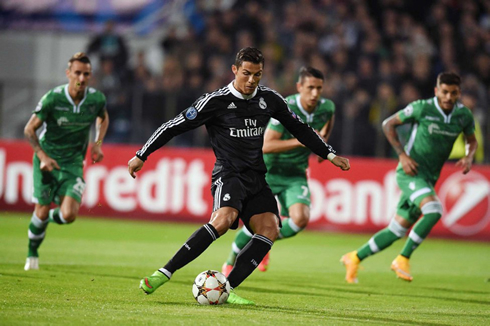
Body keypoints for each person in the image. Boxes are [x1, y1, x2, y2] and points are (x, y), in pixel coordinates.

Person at [128, 47, 350, 304]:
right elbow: (173, 126)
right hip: (228, 174)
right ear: (234, 70)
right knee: (224, 220)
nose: (252, 80)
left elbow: (300, 128)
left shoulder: (269, 99)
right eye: (246, 73)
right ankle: (163, 273)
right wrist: (142, 154)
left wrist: (331, 155)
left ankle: (227, 289)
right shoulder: (215, 101)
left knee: (270, 229)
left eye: (257, 74)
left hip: (256, 177)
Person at [341, 72, 478, 283]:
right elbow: (388, 124)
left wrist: (469, 157)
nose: (449, 97)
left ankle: (354, 258)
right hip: (410, 172)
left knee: (396, 230)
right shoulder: (422, 107)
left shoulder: (464, 115)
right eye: (444, 92)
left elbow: (472, 140)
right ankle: (402, 258)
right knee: (433, 210)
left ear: (459, 92)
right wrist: (403, 156)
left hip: (429, 177)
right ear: (436, 91)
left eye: (453, 93)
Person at [221, 66, 336, 276]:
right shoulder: (286, 107)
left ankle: (264, 242)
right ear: (299, 87)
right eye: (310, 88)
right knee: (255, 221)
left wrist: (322, 146)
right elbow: (267, 145)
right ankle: (230, 262)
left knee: (300, 219)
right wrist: (302, 141)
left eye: (319, 88)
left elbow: (326, 127)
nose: (315, 93)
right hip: (268, 172)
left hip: (295, 174)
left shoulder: (327, 107)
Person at [23, 52, 109, 271]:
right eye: (77, 73)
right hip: (47, 160)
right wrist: (42, 156)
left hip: (73, 162)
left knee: (69, 215)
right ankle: (32, 252)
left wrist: (97, 143)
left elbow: (103, 116)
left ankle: (45, 218)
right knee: (40, 211)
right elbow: (29, 129)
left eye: (86, 74)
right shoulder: (53, 98)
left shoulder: (96, 99)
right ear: (68, 73)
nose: (81, 78)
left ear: (91, 76)